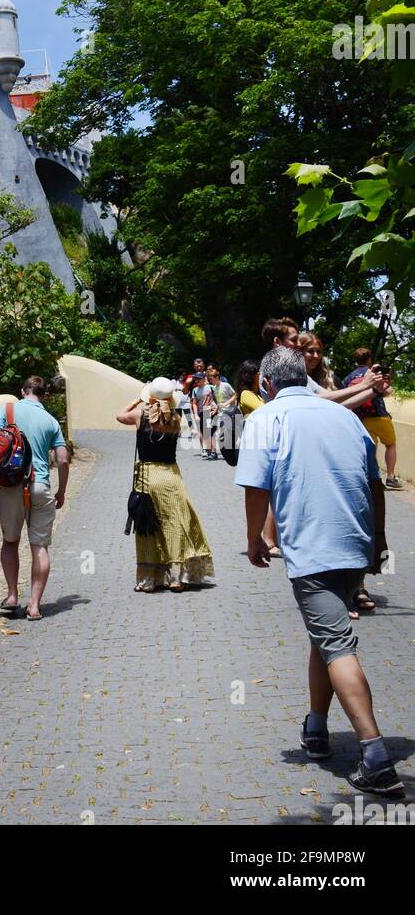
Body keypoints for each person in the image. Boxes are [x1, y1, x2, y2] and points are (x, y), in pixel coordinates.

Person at [235, 347, 402, 799]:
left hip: (313, 549)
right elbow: (373, 479)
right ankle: (316, 728)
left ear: (267, 384)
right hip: (354, 543)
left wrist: (254, 539)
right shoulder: (345, 417)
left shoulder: (266, 418)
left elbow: (256, 486)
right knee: (323, 636)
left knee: (335, 643)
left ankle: (376, 757)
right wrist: (379, 538)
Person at [0, 375, 69, 621]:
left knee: (10, 541)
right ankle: (35, 606)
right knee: (40, 547)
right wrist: (61, 491)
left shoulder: (9, 410)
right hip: (40, 486)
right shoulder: (51, 421)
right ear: (44, 395)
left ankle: (13, 595)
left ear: (23, 391)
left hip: (12, 486)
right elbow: (62, 459)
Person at [116, 377, 215, 593]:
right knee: (174, 525)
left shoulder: (139, 416)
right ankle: (177, 578)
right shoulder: (175, 419)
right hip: (170, 475)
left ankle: (148, 580)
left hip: (147, 475)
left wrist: (137, 400)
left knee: (147, 526)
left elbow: (119, 415)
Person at [262, 317, 384, 410]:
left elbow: (336, 403)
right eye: (294, 340)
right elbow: (309, 401)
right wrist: (363, 385)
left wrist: (374, 390)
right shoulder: (271, 371)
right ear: (277, 342)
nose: (299, 344)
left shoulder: (299, 374)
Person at [344, 348, 401, 490]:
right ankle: (390, 477)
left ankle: (372, 478)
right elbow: (386, 392)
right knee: (390, 445)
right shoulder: (374, 374)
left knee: (370, 449)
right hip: (380, 416)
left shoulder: (349, 377)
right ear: (369, 359)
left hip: (362, 419)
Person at [235, 359, 277, 552]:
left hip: (266, 443)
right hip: (257, 446)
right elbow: (266, 412)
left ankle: (270, 539)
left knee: (270, 494)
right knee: (263, 493)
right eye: (260, 373)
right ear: (251, 375)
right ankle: (266, 540)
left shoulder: (257, 394)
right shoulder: (246, 394)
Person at [206, 362, 237, 461]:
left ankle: (232, 451)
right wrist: (215, 410)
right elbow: (219, 402)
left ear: (217, 377)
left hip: (230, 412)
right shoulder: (214, 389)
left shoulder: (226, 385)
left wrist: (226, 403)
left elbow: (235, 395)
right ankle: (225, 451)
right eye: (210, 380)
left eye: (212, 379)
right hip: (221, 413)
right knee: (219, 432)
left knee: (227, 432)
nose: (211, 381)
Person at [190, 369, 215, 455]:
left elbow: (218, 397)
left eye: (199, 379)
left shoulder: (211, 387)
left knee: (209, 431)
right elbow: (194, 403)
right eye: (196, 379)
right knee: (203, 432)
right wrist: (196, 414)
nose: (197, 381)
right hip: (201, 412)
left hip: (211, 411)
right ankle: (207, 450)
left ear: (204, 378)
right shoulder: (195, 390)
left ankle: (212, 451)